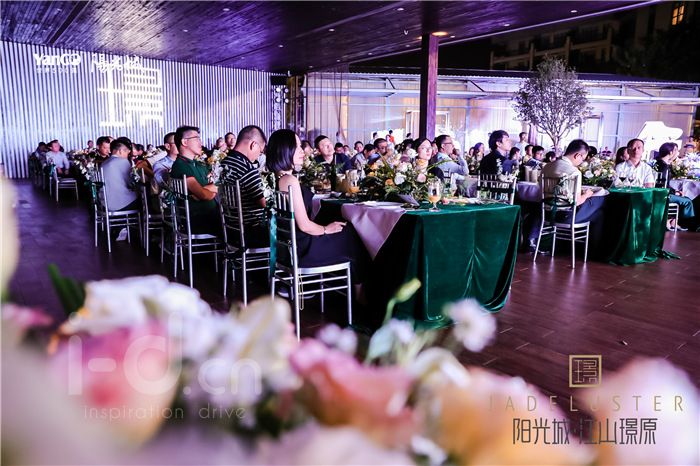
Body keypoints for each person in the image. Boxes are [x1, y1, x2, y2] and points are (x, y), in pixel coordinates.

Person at [267, 129, 369, 286]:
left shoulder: (276, 177)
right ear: (285, 150)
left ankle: (348, 288)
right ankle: (358, 291)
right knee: (351, 235)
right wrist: (326, 229)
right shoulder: (289, 180)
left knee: (345, 232)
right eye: (297, 146)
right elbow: (304, 225)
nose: (302, 151)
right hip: (302, 249)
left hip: (288, 246)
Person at [541, 139, 606, 248]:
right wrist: (587, 194)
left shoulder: (547, 166)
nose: (581, 162)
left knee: (598, 213)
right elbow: (577, 201)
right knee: (600, 207)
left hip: (546, 214)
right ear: (577, 155)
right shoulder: (574, 171)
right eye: (582, 159)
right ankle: (594, 250)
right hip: (565, 216)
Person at [220, 125, 269, 247]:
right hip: (250, 232)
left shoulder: (223, 163)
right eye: (260, 151)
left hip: (229, 228)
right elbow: (264, 203)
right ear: (253, 145)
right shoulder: (246, 168)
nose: (259, 156)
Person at [169, 126, 221, 235]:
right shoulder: (180, 165)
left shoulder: (198, 164)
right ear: (184, 142)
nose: (200, 142)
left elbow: (212, 185)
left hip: (211, 215)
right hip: (200, 219)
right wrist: (212, 191)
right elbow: (204, 195)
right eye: (197, 138)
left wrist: (205, 190)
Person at [654, 142, 695, 230]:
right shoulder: (663, 167)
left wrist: (675, 191)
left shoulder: (660, 164)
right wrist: (675, 192)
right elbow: (662, 186)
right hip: (663, 195)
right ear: (671, 152)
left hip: (664, 193)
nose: (678, 153)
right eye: (676, 151)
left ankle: (673, 221)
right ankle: (686, 224)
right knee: (688, 202)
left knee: (685, 198)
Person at [101, 139, 139, 211]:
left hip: (104, 204)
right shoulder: (123, 161)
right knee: (146, 198)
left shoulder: (104, 163)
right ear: (120, 151)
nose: (127, 156)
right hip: (121, 203)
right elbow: (130, 183)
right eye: (127, 153)